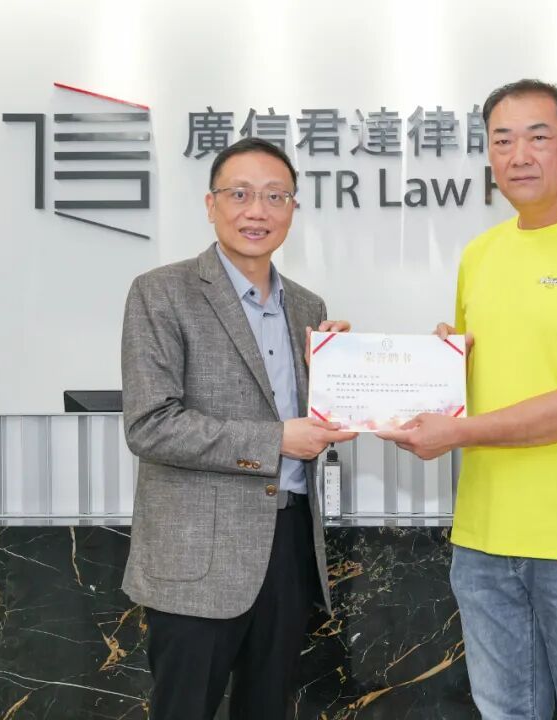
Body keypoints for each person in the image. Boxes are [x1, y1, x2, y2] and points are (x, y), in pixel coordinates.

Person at [380, 80, 557, 719]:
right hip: (483, 537)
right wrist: (432, 368)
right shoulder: (480, 255)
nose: (519, 155)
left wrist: (458, 433)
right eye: (503, 140)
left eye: (538, 137)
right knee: (504, 711)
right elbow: (482, 384)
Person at [120, 137, 357, 720]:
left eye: (276, 197)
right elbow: (151, 425)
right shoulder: (162, 292)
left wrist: (342, 372)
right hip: (197, 556)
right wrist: (276, 441)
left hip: (289, 544)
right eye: (241, 194)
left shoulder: (308, 306)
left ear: (293, 209)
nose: (258, 211)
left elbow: (312, 419)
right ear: (211, 204)